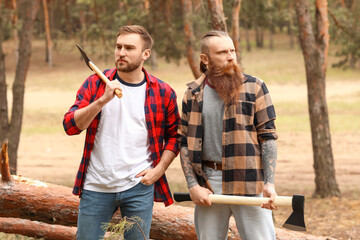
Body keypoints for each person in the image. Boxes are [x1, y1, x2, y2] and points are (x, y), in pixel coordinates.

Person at [63, 25, 180, 240]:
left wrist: (159, 169)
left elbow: (175, 136)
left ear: (146, 54)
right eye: (118, 47)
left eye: (129, 48)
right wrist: (101, 100)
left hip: (139, 187)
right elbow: (70, 126)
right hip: (96, 186)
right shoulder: (96, 84)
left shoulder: (163, 92)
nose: (121, 53)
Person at [178, 30, 278, 240]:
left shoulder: (255, 87)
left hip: (249, 179)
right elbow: (184, 144)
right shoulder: (193, 94)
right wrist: (193, 186)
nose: (231, 56)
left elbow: (268, 137)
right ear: (205, 59)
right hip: (209, 183)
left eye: (232, 50)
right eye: (222, 52)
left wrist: (269, 183)